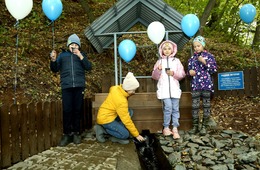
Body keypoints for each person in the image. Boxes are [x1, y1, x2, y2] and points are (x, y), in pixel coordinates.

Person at [50, 33, 92, 146]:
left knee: (77, 110)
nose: (74, 46)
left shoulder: (81, 55)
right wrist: (53, 60)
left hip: (79, 86)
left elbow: (88, 67)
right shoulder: (62, 56)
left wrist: (80, 56)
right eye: (72, 44)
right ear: (68, 45)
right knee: (67, 110)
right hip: (66, 87)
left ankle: (77, 133)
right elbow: (54, 69)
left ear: (79, 46)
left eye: (76, 45)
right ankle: (67, 134)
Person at [94, 72, 145, 144]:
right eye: (133, 90)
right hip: (106, 120)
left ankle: (116, 129)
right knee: (125, 134)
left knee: (129, 111)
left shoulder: (116, 88)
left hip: (106, 114)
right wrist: (136, 135)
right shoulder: (121, 101)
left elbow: (113, 89)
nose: (134, 92)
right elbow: (126, 120)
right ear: (127, 88)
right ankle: (103, 130)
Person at [151, 40, 186, 139]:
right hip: (164, 90)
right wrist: (158, 70)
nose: (167, 50)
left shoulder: (177, 61)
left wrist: (173, 73)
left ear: (173, 50)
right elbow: (154, 76)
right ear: (161, 50)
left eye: (169, 48)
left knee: (175, 109)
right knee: (168, 108)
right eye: (164, 48)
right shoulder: (159, 62)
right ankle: (166, 127)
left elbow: (182, 75)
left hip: (175, 90)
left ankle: (175, 128)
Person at [187, 35, 217, 135]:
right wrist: (190, 72)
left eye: (198, 46)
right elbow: (188, 71)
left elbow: (214, 69)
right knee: (195, 106)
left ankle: (204, 126)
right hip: (195, 85)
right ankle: (195, 126)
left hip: (206, 85)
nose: (196, 48)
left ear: (203, 45)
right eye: (194, 46)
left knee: (206, 106)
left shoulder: (209, 56)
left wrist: (204, 62)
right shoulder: (192, 58)